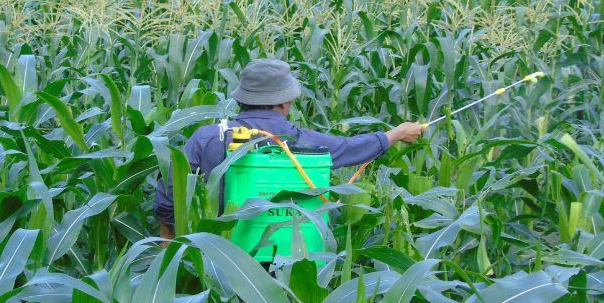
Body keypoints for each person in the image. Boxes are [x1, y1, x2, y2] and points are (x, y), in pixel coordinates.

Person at [154, 58, 424, 239]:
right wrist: (396, 134)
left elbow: (168, 199)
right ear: (285, 103)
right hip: (292, 260)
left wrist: (172, 253)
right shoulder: (304, 142)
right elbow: (350, 148)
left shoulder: (207, 138)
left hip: (217, 260)